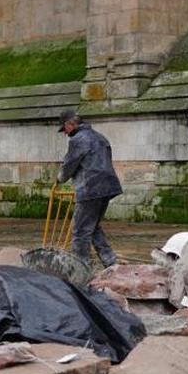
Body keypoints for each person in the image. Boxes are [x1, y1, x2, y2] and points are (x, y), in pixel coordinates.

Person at [57, 109, 121, 268]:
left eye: (64, 129)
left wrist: (60, 178)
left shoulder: (78, 140)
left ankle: (80, 267)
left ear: (69, 124)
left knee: (79, 231)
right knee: (92, 227)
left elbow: (69, 164)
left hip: (90, 188)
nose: (65, 133)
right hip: (108, 187)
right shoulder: (101, 138)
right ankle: (110, 261)